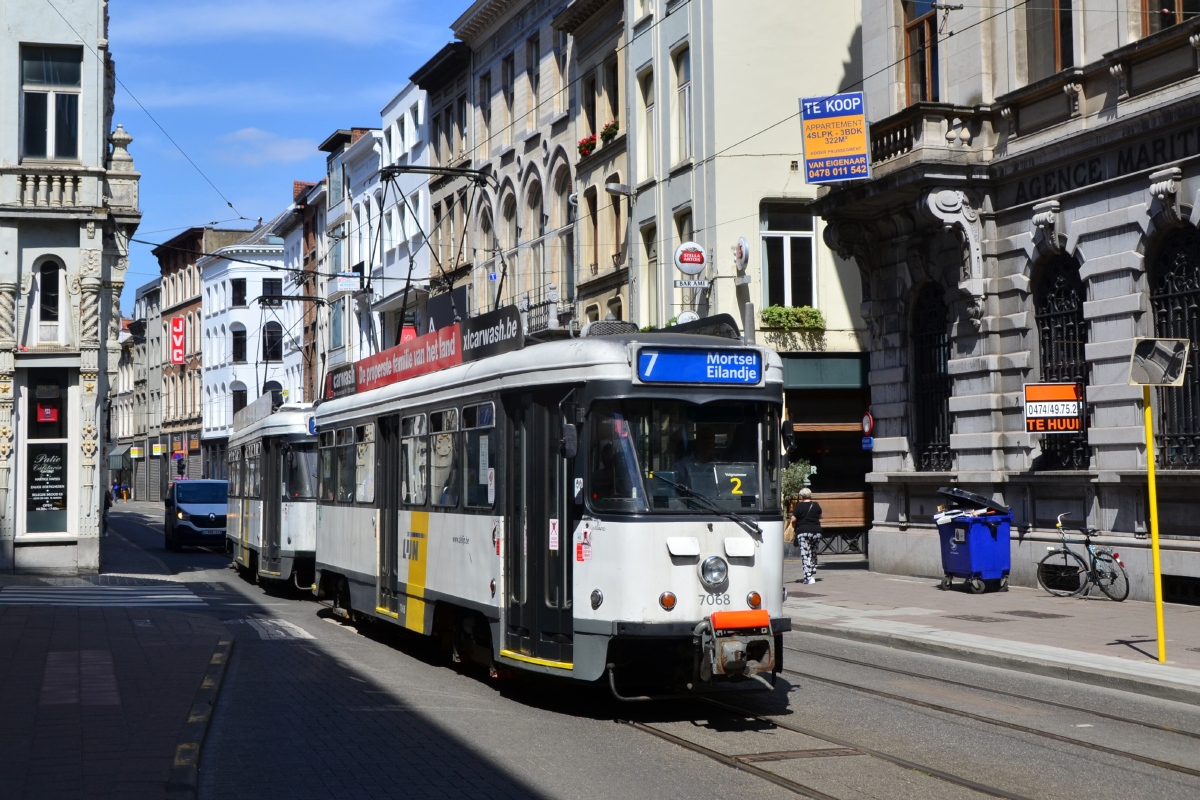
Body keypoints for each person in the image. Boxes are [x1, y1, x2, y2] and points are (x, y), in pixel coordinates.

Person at [790, 487, 822, 584]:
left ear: (802, 496)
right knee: (813, 553)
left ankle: (808, 577)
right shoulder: (816, 505)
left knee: (805, 554)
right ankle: (812, 572)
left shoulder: (799, 506)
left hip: (803, 532)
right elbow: (820, 516)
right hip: (816, 531)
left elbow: (793, 519)